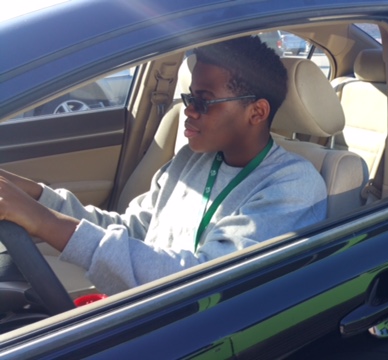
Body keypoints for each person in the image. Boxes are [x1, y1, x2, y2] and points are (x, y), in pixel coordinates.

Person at [0, 36, 328, 295]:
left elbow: (205, 280)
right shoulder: (191, 159)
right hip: (146, 307)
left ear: (256, 113)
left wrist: (43, 221)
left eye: (203, 101)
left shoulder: (293, 185)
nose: (189, 111)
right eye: (188, 99)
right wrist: (35, 196)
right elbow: (133, 230)